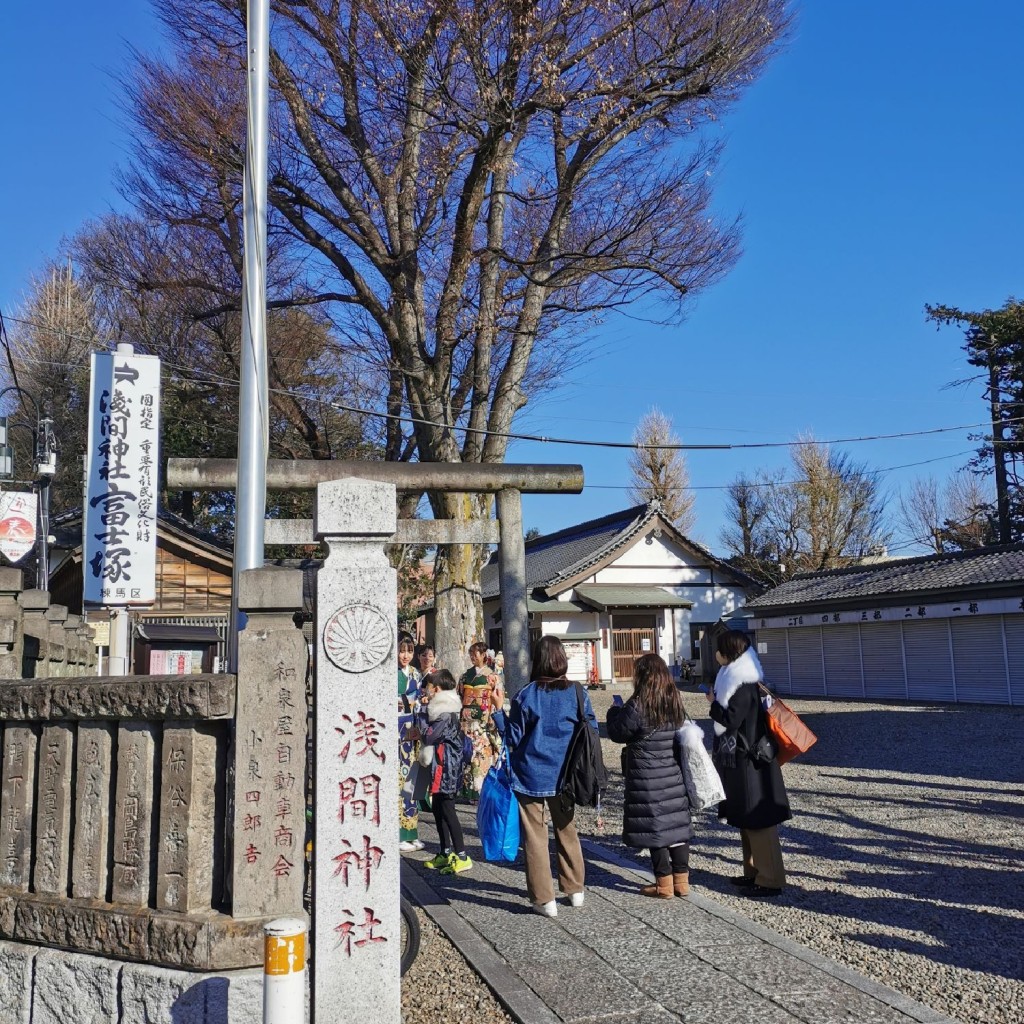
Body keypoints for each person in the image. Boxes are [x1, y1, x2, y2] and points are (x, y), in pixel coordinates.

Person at [494, 635, 596, 917]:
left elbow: (512, 738)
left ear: (536, 661)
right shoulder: (578, 692)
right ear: (562, 659)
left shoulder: (527, 694)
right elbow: (591, 729)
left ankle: (544, 899)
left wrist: (497, 710)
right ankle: (575, 890)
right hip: (566, 775)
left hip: (531, 774)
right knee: (567, 830)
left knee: (535, 837)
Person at [706, 630, 791, 897]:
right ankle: (753, 871)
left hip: (751, 763)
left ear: (728, 653)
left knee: (758, 821)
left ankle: (770, 879)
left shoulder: (741, 684)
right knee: (747, 819)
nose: (716, 654)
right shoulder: (738, 680)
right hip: (744, 760)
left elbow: (731, 720)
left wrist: (712, 704)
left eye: (719, 649)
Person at [607, 653, 693, 899]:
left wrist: (614, 711)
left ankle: (664, 884)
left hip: (646, 775)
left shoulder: (638, 703)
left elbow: (617, 732)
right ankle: (682, 882)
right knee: (677, 826)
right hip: (672, 772)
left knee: (656, 829)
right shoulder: (673, 700)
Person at [416, 670, 473, 874]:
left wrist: (421, 714)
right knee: (439, 810)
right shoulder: (443, 710)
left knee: (448, 811)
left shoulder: (444, 713)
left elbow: (429, 737)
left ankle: (462, 855)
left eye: (429, 687)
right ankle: (445, 851)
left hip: (446, 767)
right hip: (442, 766)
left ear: (437, 689)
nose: (427, 691)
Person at [458, 641, 504, 796]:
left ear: (484, 655)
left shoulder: (492, 677)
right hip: (467, 723)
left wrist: (493, 716)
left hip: (484, 721)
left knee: (481, 754)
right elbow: (460, 696)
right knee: (467, 752)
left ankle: (481, 790)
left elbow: (498, 697)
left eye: (475, 654)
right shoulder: (465, 676)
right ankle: (467, 791)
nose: (472, 657)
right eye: (470, 654)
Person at [398, 637, 424, 853]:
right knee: (399, 782)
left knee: (413, 782)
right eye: (401, 651)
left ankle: (412, 831)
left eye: (409, 650)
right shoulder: (390, 673)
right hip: (396, 731)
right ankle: (398, 832)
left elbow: (420, 698)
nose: (405, 655)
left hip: (413, 730)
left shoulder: (416, 674)